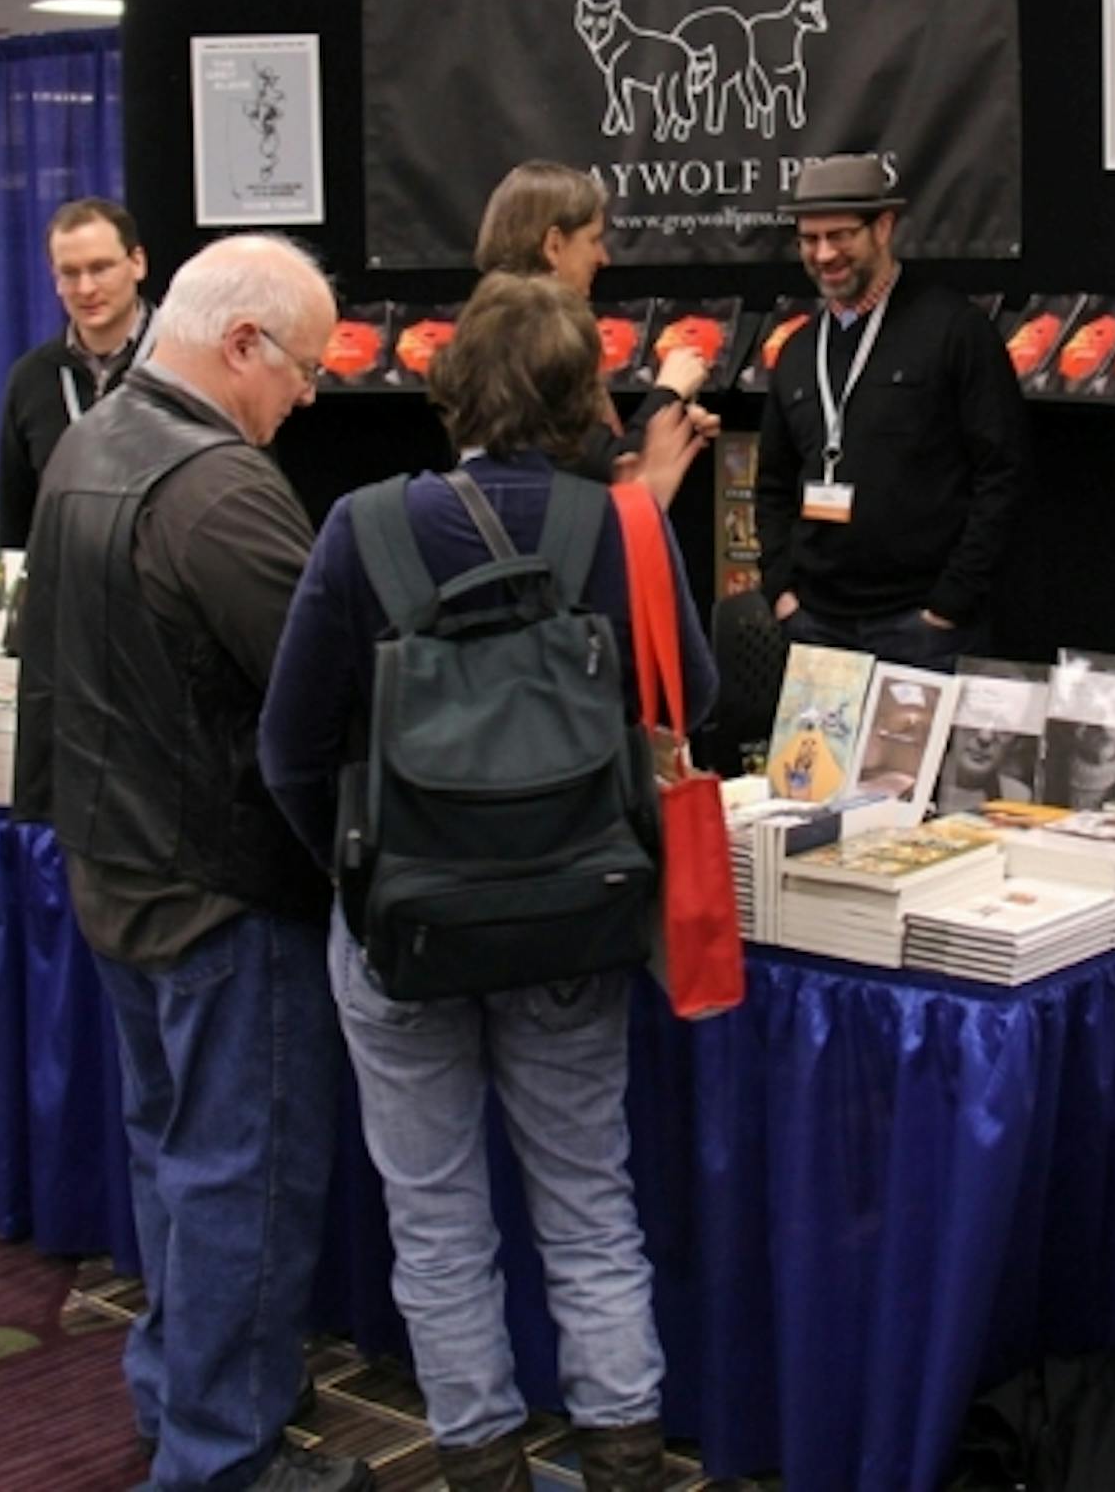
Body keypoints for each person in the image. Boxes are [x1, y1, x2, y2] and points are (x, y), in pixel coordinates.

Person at [258, 273, 715, 1492]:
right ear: (588, 399)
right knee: (586, 1197)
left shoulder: (362, 525)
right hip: (577, 915)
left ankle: (479, 1459)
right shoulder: (625, 528)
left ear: (449, 389)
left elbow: (289, 748)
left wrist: (362, 878)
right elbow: (697, 702)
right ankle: (622, 1450)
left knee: (436, 1216)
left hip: (401, 928)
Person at [14, 234, 370, 1492]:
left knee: (177, 1166)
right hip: (227, 887)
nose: (312, 394)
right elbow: (328, 687)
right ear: (240, 348)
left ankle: (182, 1406)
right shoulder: (219, 488)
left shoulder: (88, 443)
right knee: (243, 1184)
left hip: (120, 868)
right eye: (306, 368)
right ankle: (224, 1454)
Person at [756, 153, 1027, 673]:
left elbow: (1003, 473)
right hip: (815, 625)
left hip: (921, 629)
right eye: (809, 239)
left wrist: (950, 603)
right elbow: (773, 483)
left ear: (883, 227)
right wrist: (781, 589)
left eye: (840, 235)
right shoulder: (797, 351)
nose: (824, 253)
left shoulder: (954, 330)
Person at [474, 160, 718, 507]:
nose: (603, 257)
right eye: (593, 239)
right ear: (554, 246)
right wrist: (669, 393)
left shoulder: (489, 327)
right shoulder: (540, 334)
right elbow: (613, 467)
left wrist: (673, 427)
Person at [0, 197, 154, 548]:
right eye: (70, 273)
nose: (85, 289)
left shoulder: (185, 362)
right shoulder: (31, 378)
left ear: (137, 263)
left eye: (100, 268)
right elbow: (15, 518)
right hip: (68, 592)